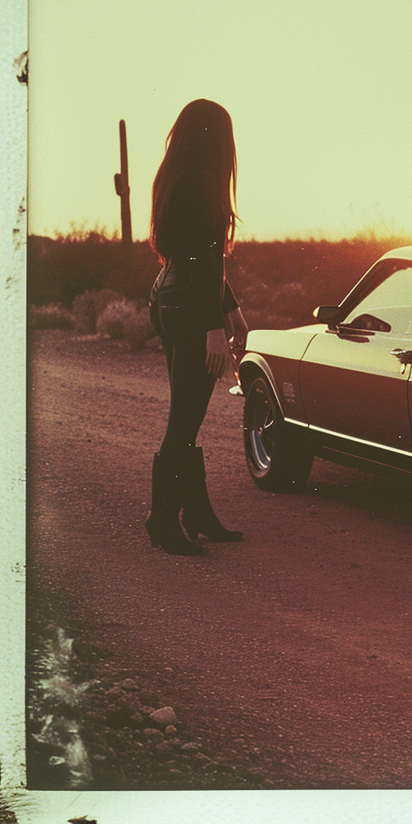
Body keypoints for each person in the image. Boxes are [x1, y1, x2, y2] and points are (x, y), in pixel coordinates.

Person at [146, 99, 248, 554]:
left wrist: (231, 308)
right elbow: (202, 260)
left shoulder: (176, 177)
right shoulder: (202, 183)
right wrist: (214, 327)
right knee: (183, 422)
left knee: (186, 416)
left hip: (170, 297)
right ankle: (163, 519)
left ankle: (198, 513)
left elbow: (193, 256)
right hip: (189, 309)